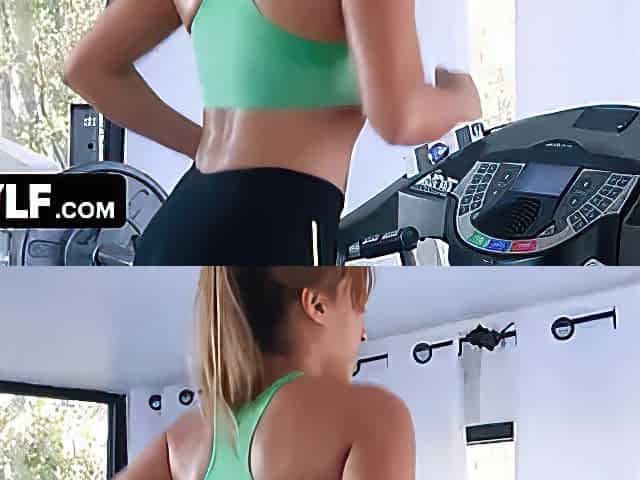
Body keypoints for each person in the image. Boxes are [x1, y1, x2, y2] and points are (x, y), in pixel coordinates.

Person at [64, 0, 481, 265]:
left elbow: (88, 70)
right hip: (277, 230)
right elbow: (401, 118)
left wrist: (205, 147)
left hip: (180, 226)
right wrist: (460, 98)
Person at [115, 266, 415, 480]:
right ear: (318, 305)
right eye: (359, 309)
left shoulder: (184, 440)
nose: (363, 334)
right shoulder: (373, 416)